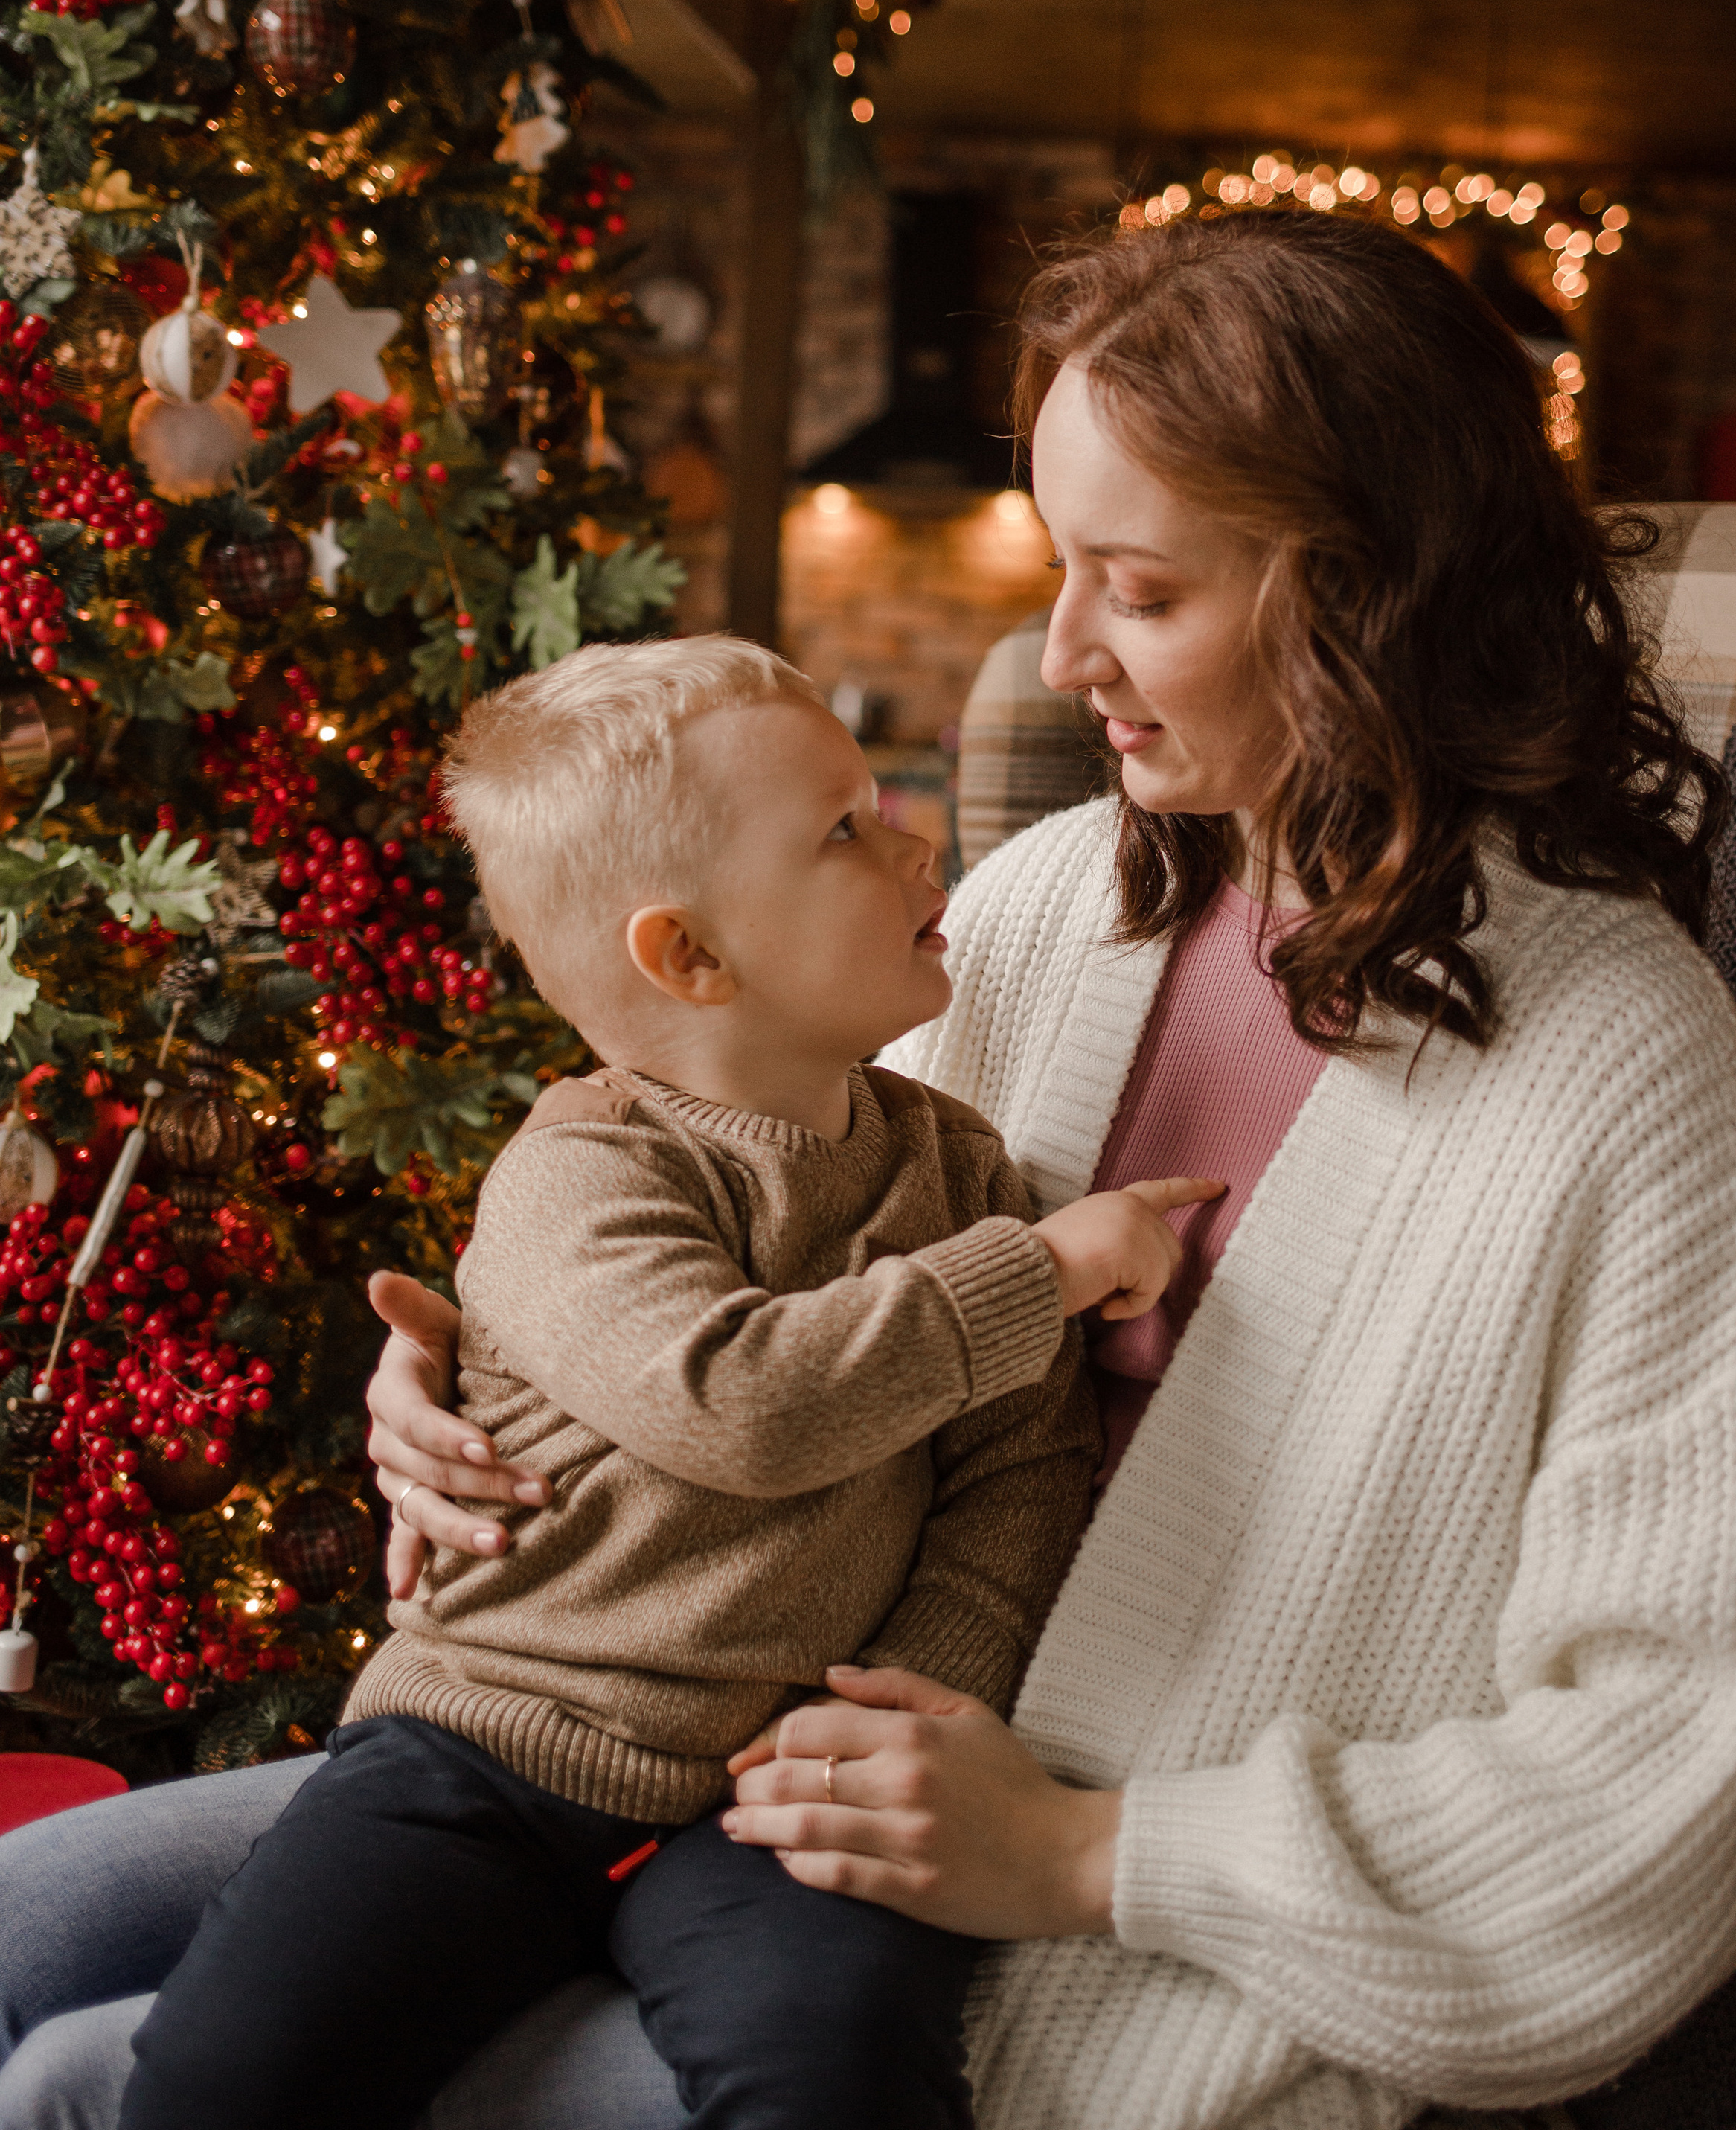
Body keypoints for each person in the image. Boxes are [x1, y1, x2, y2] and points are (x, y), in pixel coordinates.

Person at [0, 214, 1736, 2130]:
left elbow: (1674, 1776)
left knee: (73, 2081)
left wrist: (1088, 1856)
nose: (1056, 657)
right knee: (28, 1925)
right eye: (1063, 570)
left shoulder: (1612, 1059)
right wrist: (485, 1387)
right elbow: (740, 1255)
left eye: (1136, 589)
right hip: (686, 1735)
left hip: (1068, 1922)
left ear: (1365, 598)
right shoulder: (1052, 914)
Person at [118, 637, 1205, 2130]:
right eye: (841, 828)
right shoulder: (576, 1174)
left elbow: (1017, 1466)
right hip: (485, 1755)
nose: (913, 833)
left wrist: (911, 1699)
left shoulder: (957, 1171)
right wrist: (1051, 1271)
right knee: (224, 2079)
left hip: (769, 1783)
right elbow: (742, 1404)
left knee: (835, 2068)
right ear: (688, 957)